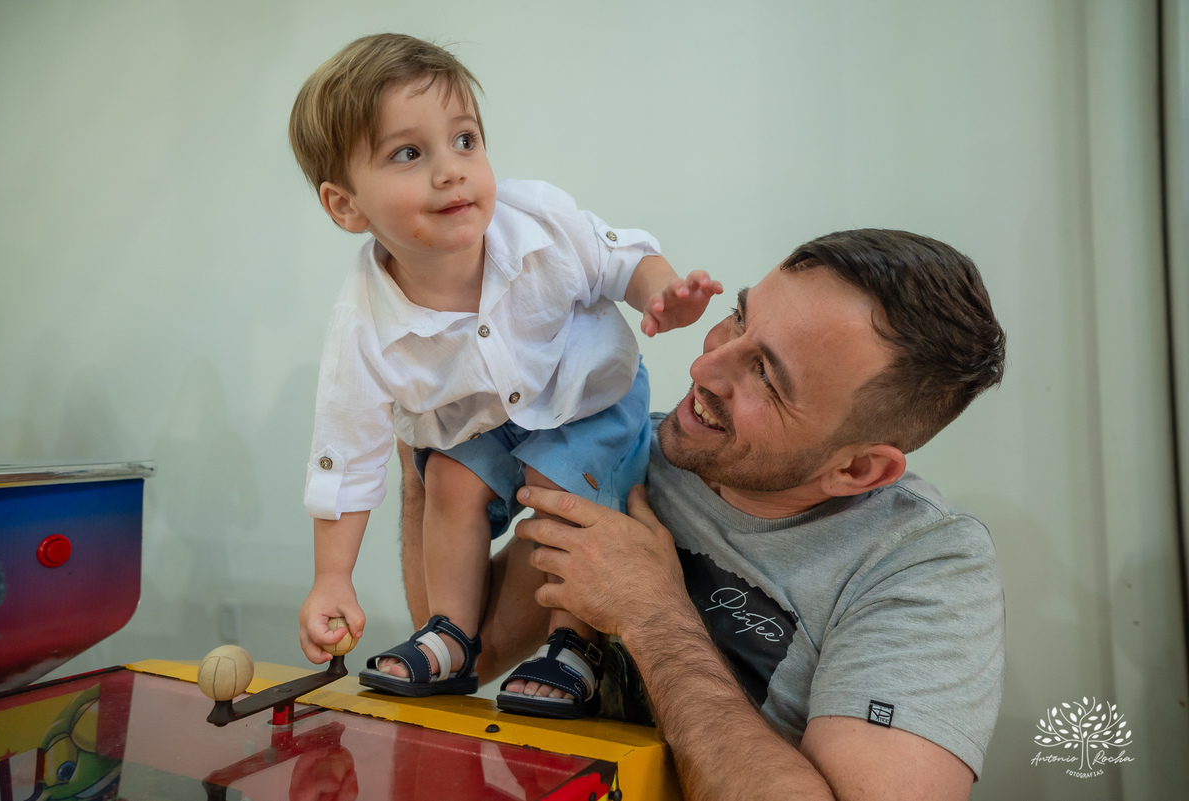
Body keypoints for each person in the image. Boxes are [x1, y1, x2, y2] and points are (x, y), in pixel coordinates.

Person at [399, 228, 1007, 799]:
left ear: (856, 470)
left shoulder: (923, 567)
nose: (702, 368)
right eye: (739, 317)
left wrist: (653, 614)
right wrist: (425, 447)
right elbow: (462, 647)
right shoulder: (633, 454)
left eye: (766, 377)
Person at [289, 33, 722, 719]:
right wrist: (332, 576)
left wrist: (663, 292)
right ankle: (452, 635)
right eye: (409, 153)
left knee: (559, 491)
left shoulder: (540, 222)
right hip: (483, 417)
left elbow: (621, 258)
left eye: (464, 140)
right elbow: (345, 453)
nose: (450, 171)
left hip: (585, 398)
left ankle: (573, 643)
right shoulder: (362, 324)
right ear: (347, 207)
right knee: (448, 480)